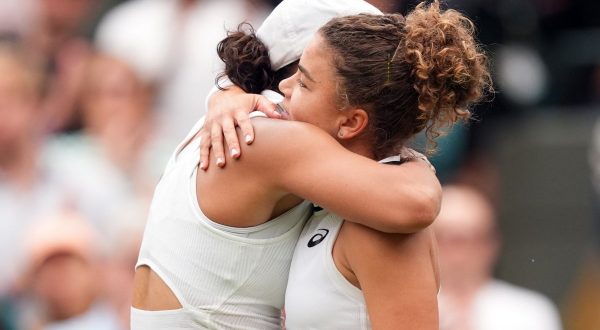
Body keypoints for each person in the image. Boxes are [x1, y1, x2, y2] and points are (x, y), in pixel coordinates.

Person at [131, 0, 444, 329]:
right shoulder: (276, 136)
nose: (286, 89)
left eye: (307, 81)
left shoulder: (235, 116)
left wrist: (223, 93)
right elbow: (418, 202)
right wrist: (414, 161)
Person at [434, 185, 562, 330]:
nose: (458, 253)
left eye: (471, 238)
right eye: (444, 238)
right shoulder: (407, 310)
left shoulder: (531, 312)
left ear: (493, 243)